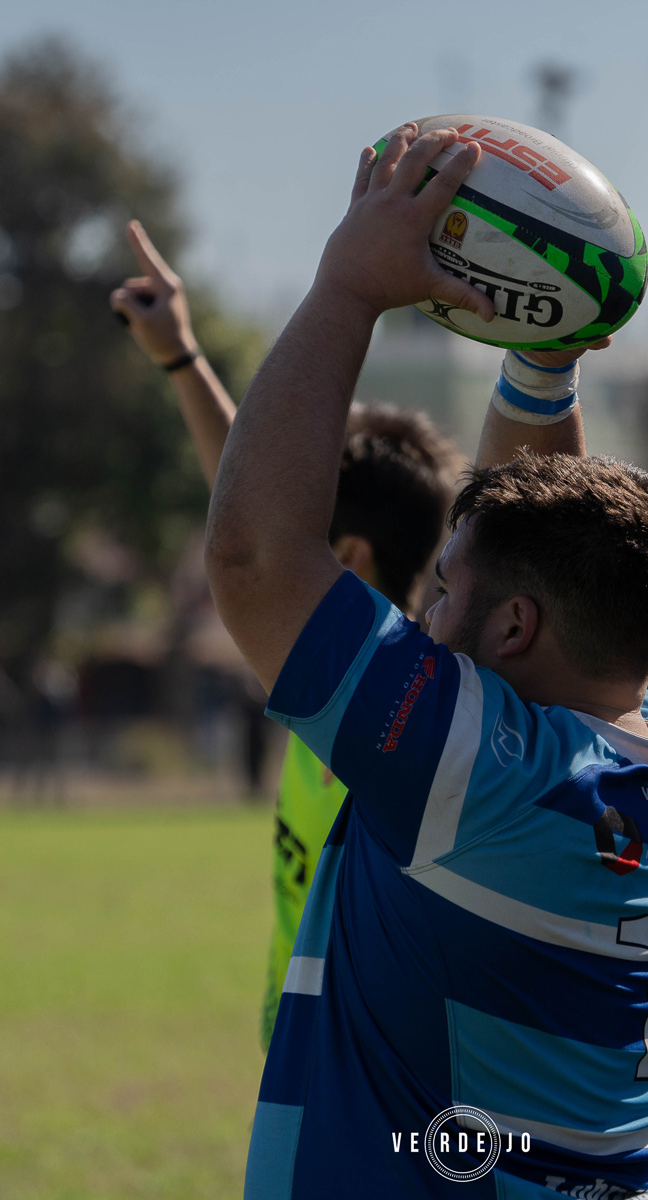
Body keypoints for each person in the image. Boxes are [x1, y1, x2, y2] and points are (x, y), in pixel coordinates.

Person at [205, 124, 648, 1198]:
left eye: (441, 590)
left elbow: (255, 557)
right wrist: (543, 362)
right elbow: (545, 542)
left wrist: (347, 287)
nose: (420, 613)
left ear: (517, 630)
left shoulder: (475, 776)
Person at [109, 222, 461, 1048]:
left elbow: (258, 541)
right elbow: (251, 508)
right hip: (307, 1068)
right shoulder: (359, 679)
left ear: (349, 556)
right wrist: (183, 360)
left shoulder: (393, 704)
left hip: (364, 1091)